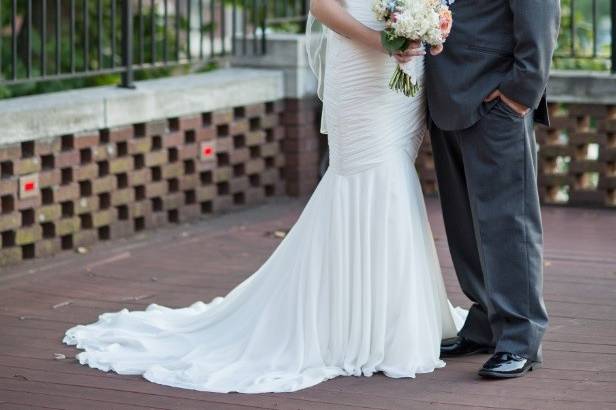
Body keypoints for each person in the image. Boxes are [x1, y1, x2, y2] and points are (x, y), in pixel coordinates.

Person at [62, 0, 468, 393]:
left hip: (405, 73)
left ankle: (392, 320)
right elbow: (322, 8)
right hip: (360, 65)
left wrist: (427, 28)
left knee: (395, 176)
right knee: (372, 177)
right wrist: (379, 41)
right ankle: (355, 326)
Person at [406, 0, 560, 379]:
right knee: (464, 224)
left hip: (496, 101)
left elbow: (540, 20)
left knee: (508, 223)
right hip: (446, 97)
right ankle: (486, 323)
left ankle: (520, 338)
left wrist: (519, 94)